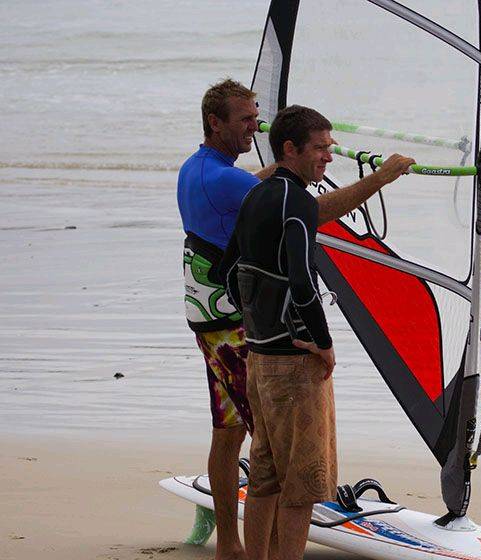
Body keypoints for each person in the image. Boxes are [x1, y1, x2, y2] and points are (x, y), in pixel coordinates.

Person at [218, 105, 413, 560]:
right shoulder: (298, 202)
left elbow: (227, 271)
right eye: (320, 148)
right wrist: (323, 344)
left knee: (264, 478)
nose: (328, 156)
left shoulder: (256, 195)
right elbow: (303, 279)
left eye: (330, 147)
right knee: (302, 486)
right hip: (293, 364)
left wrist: (259, 325)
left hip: (259, 359)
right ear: (290, 149)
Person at [177, 78, 276, 560]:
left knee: (229, 429)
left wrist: (283, 166)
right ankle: (268, 545)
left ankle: (230, 546)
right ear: (215, 122)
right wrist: (378, 179)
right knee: (267, 436)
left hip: (207, 316)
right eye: (245, 119)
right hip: (231, 322)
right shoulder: (227, 180)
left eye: (256, 117)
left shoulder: (196, 168)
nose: (254, 127)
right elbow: (299, 207)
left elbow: (251, 187)